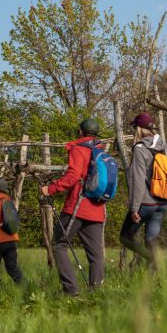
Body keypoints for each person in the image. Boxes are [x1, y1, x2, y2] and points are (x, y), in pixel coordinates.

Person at [40, 118, 107, 294]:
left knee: (58, 245)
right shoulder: (101, 151)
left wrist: (51, 189)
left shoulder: (79, 149)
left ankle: (71, 290)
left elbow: (73, 177)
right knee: (95, 254)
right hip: (97, 208)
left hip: (78, 207)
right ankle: (96, 294)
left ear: (80, 132)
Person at [120, 112, 167, 264]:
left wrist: (134, 208)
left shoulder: (140, 148)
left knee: (125, 237)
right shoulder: (162, 145)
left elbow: (138, 180)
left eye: (134, 128)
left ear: (138, 129)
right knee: (151, 240)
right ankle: (157, 278)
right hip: (162, 202)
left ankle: (152, 259)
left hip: (146, 203)